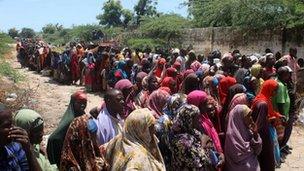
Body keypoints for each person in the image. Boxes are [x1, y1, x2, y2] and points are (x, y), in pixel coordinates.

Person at [47, 90, 88, 166]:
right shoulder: (70, 119)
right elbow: (53, 138)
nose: (83, 105)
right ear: (73, 103)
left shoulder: (81, 114)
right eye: (79, 102)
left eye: (84, 102)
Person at [187, 90, 225, 170]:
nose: (207, 106)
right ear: (196, 105)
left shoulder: (204, 117)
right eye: (204, 103)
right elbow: (205, 146)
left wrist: (220, 152)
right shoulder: (196, 123)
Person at [170, 104, 213, 170]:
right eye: (196, 118)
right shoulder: (181, 141)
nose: (199, 121)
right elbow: (201, 161)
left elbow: (209, 141)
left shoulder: (192, 131)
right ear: (188, 119)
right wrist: (204, 144)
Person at [251, 79, 280, 171]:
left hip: (266, 129)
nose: (275, 92)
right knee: (267, 156)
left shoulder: (265, 98)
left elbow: (270, 112)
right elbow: (261, 120)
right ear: (269, 89)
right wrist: (272, 119)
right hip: (264, 132)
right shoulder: (263, 102)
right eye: (274, 90)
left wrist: (277, 115)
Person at [225, 105, 262, 171]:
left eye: (251, 115)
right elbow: (237, 157)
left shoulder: (248, 130)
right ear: (239, 117)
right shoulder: (231, 135)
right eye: (248, 116)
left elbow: (258, 151)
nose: (251, 118)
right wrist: (251, 149)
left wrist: (255, 134)